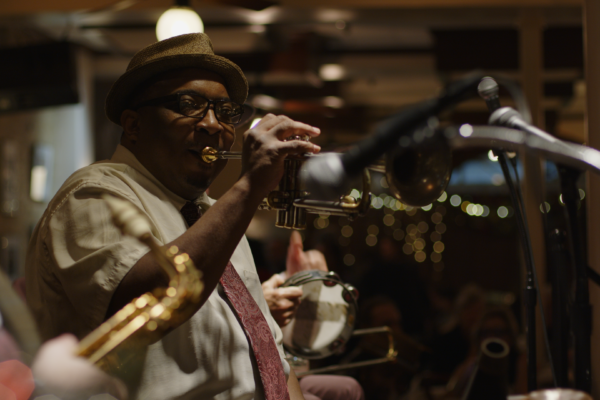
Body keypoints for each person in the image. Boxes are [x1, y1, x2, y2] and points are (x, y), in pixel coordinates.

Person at [25, 33, 324, 400]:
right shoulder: (93, 193)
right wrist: (249, 188)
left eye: (225, 111)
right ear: (133, 125)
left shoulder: (213, 214)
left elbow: (271, 354)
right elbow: (151, 302)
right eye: (189, 104)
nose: (213, 125)